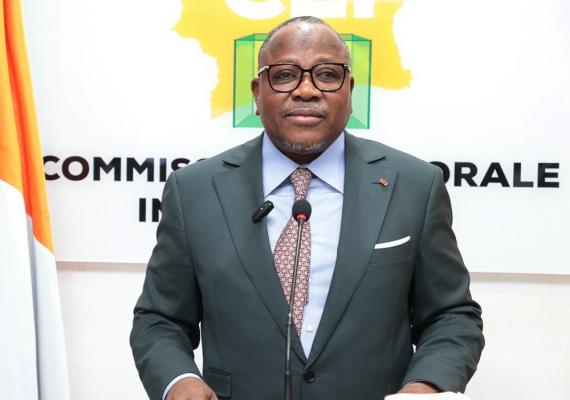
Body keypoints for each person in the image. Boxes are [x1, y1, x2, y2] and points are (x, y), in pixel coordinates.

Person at [130, 16, 484, 400]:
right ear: (257, 92)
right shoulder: (194, 191)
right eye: (284, 75)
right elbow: (160, 319)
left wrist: (424, 387)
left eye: (327, 75)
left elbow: (451, 316)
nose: (306, 90)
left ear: (350, 90)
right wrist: (179, 381)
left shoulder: (414, 186)